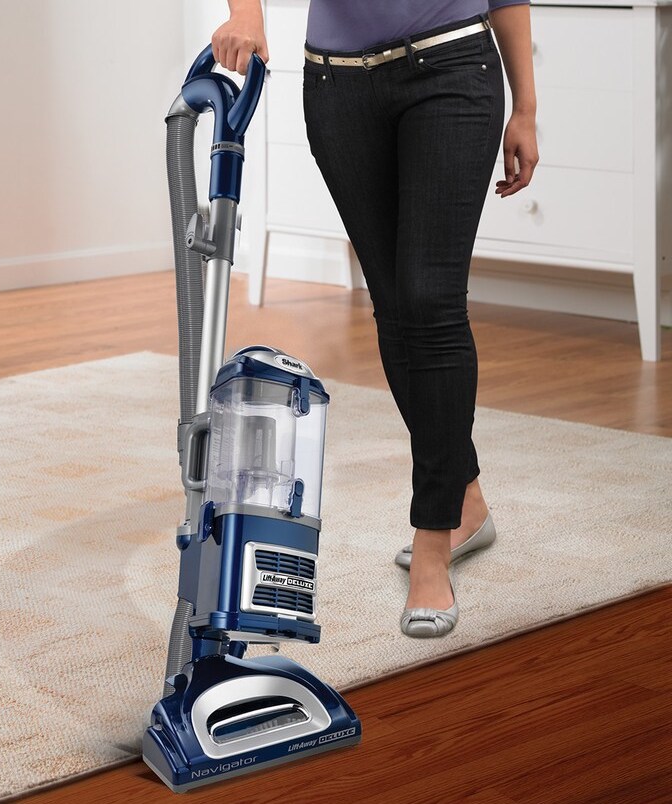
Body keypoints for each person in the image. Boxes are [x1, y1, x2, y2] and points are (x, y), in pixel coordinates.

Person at [211, 1, 538, 637]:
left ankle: (432, 543)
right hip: (337, 85)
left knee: (429, 302)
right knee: (393, 303)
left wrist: (524, 106)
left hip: (451, 66)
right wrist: (247, 15)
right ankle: (464, 496)